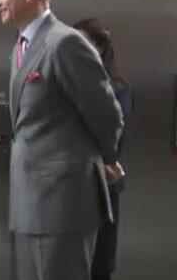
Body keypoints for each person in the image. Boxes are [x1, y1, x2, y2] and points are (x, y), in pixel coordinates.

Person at [0, 0, 124, 280]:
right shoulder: (22, 46)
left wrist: (107, 158)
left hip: (63, 204)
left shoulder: (65, 43)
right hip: (28, 202)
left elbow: (106, 112)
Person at [73, 18, 133, 280]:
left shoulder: (117, 88)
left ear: (98, 47)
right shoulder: (61, 81)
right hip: (64, 185)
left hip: (101, 184)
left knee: (99, 261)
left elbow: (108, 135)